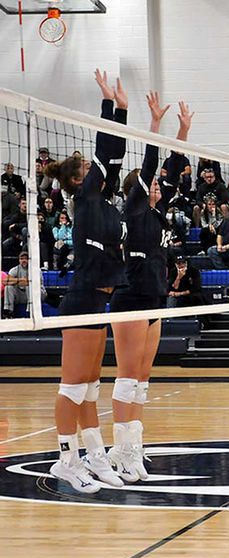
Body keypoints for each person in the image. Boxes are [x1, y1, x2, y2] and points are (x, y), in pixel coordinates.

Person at [44, 69, 129, 492]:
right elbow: (104, 149)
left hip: (100, 300)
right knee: (74, 385)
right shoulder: (85, 196)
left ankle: (94, 454)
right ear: (80, 179)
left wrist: (124, 109)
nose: (99, 170)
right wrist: (106, 106)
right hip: (81, 300)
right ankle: (66, 459)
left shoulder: (102, 197)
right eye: (89, 168)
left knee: (92, 387)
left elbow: (114, 153)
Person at [108, 94, 191, 483]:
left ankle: (133, 451)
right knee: (127, 378)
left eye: (159, 185)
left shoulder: (157, 213)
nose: (158, 185)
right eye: (152, 184)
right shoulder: (135, 208)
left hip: (155, 299)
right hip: (131, 300)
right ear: (138, 190)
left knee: (142, 382)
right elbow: (151, 164)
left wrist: (183, 130)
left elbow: (172, 169)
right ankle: (120, 452)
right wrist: (155, 126)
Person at [2, 250, 47, 318]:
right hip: (21, 295)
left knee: (29, 287)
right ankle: (8, 312)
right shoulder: (15, 269)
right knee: (8, 287)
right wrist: (20, 280)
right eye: (21, 259)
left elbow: (30, 282)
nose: (24, 260)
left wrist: (15, 281)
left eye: (26, 258)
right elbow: (5, 281)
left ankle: (31, 312)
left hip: (37, 294)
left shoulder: (36, 269)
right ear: (19, 260)